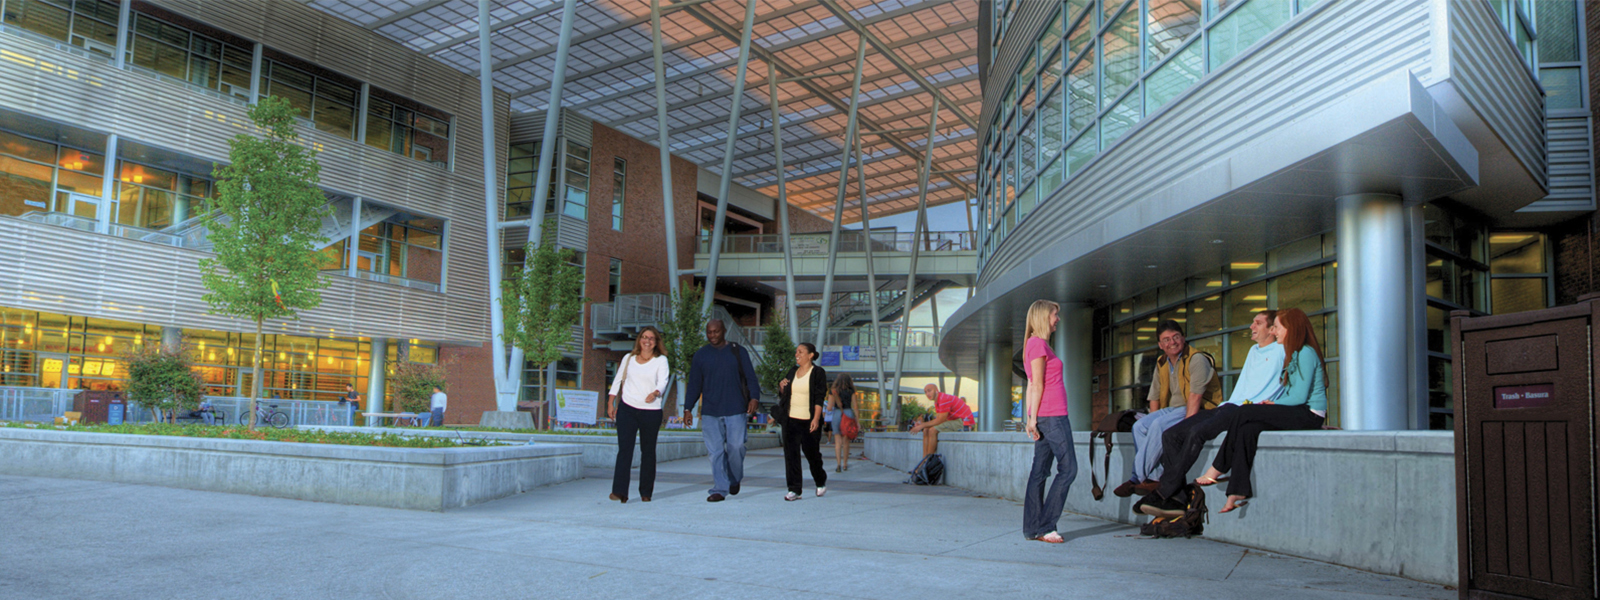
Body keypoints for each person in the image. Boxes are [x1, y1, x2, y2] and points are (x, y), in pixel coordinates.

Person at [1143, 308, 1328, 517]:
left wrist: (1270, 405)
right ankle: (1233, 491)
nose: (1273, 331)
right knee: (1172, 434)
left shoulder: (1293, 351)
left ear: (1288, 328)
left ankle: (1202, 475)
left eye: (1270, 325)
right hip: (1237, 405)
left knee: (1225, 421)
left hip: (1292, 410)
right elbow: (1292, 391)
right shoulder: (1270, 351)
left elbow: (1299, 396)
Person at [1136, 311, 1283, 503]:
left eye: (1257, 323)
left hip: (1247, 410)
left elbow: (1292, 384)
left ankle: (1165, 492)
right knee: (1171, 435)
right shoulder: (1253, 351)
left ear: (1272, 330)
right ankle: (1177, 495)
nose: (1251, 327)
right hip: (1229, 405)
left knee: (1197, 431)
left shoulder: (1283, 350)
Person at [1117, 320, 1222, 496]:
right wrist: (1154, 417)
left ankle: (1136, 478)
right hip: (1174, 409)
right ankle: (1155, 477)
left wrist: (1186, 429)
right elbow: (1155, 396)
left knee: (1158, 426)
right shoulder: (1162, 362)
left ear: (1183, 337)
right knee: (1140, 426)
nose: (1172, 342)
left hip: (1201, 408)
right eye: (1166, 339)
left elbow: (1195, 397)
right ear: (1160, 345)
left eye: (1175, 337)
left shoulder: (1197, 359)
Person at [684, 319, 761, 503]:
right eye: (709, 332)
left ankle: (734, 478)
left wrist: (754, 398)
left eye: (716, 332)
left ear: (724, 331)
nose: (712, 336)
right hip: (710, 411)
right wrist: (688, 408)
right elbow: (695, 384)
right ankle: (719, 488)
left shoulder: (738, 351)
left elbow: (751, 377)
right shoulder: (701, 355)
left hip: (735, 408)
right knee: (715, 452)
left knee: (736, 447)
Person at [1021, 299, 1077, 544]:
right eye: (1055, 314)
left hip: (1045, 417)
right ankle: (1045, 526)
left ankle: (1033, 528)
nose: (1058, 319)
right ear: (1044, 316)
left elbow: (1030, 384)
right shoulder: (1037, 344)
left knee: (1040, 472)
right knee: (1069, 469)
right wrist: (1031, 420)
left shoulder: (1036, 344)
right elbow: (1036, 384)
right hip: (1052, 416)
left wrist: (1031, 419)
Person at [607, 326, 670, 504]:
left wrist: (656, 392)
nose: (647, 341)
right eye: (644, 337)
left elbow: (663, 381)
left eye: (651, 338)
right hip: (627, 409)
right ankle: (620, 491)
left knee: (648, 451)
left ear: (656, 342)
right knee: (624, 450)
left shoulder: (661, 360)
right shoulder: (629, 358)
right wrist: (610, 402)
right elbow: (618, 380)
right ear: (639, 340)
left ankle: (645, 492)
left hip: (651, 411)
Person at [776, 343, 828, 501]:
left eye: (800, 352)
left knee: (812, 454)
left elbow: (820, 397)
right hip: (791, 420)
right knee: (791, 455)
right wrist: (781, 387)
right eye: (796, 352)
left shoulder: (818, 372)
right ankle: (794, 489)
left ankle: (820, 481)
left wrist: (816, 418)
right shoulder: (792, 371)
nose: (796, 354)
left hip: (809, 420)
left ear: (810, 355)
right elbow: (785, 395)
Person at [909, 383, 974, 457]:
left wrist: (922, 425)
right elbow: (937, 419)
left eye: (929, 391)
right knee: (926, 429)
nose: (927, 394)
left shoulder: (943, 399)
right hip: (955, 421)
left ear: (936, 390)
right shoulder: (937, 402)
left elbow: (941, 420)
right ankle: (924, 459)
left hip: (964, 422)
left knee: (932, 430)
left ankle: (929, 460)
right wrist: (922, 425)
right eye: (925, 392)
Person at [827, 373, 857, 472]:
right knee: (846, 441)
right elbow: (855, 407)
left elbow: (829, 408)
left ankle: (838, 464)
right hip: (848, 413)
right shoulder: (851, 391)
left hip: (837, 414)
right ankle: (845, 464)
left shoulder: (833, 391)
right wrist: (858, 420)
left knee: (837, 441)